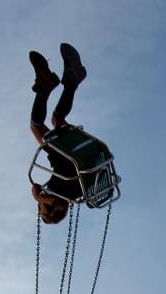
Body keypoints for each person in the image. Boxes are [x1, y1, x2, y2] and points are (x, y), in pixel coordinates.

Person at [28, 44, 115, 224]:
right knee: (36, 126)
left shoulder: (75, 193)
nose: (40, 205)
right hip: (68, 157)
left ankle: (71, 82)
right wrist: (40, 199)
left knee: (57, 120)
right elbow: (54, 203)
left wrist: (42, 197)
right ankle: (46, 86)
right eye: (41, 209)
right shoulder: (60, 195)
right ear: (50, 208)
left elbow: (56, 203)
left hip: (80, 152)